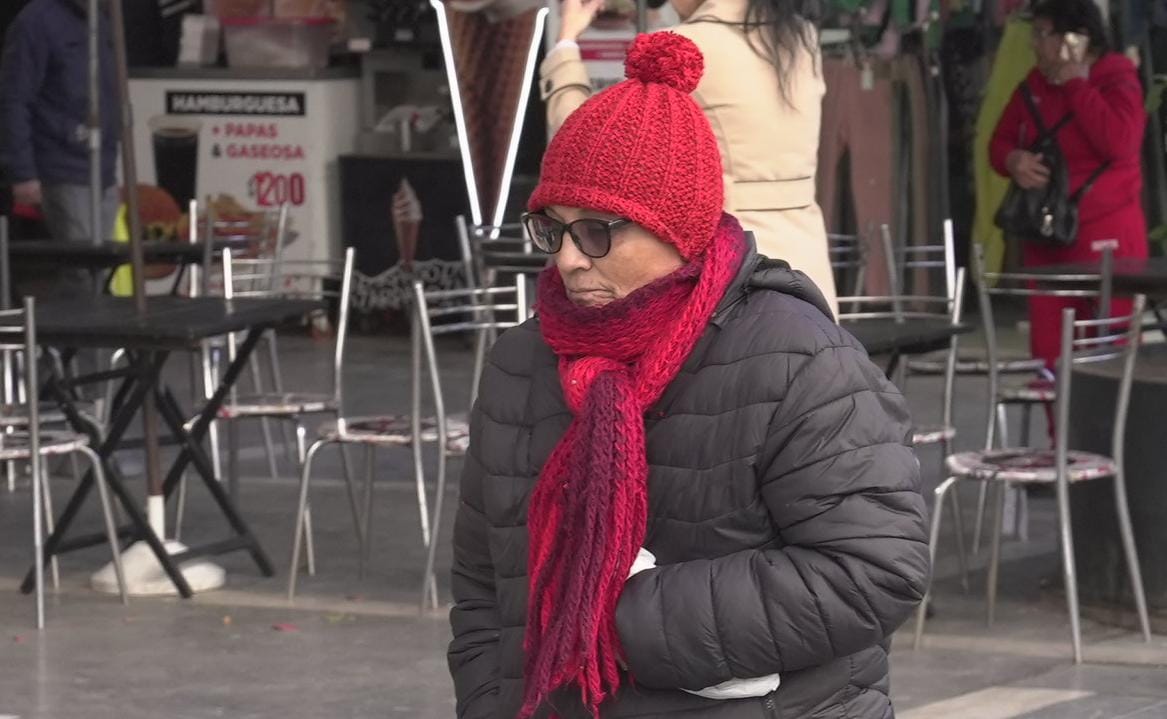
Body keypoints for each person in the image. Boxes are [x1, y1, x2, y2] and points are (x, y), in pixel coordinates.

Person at [448, 33, 928, 719]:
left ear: (678, 232)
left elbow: (874, 568)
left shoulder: (798, 359)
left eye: (598, 231)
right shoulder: (521, 363)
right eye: (552, 230)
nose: (569, 260)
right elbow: (482, 587)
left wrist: (620, 615)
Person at [541, 0, 840, 316]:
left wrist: (566, 43)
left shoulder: (687, 48)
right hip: (806, 259)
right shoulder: (799, 39)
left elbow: (591, 145)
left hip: (730, 265)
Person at [989, 0, 1147, 368]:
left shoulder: (1116, 76)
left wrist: (1077, 84)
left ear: (1078, 39)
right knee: (1049, 353)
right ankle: (1059, 428)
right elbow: (998, 143)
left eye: (1043, 34)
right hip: (1046, 240)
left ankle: (1108, 428)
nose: (1034, 44)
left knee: (1111, 350)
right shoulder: (1033, 85)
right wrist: (1013, 160)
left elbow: (1120, 143)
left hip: (1107, 240)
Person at [0, 0, 121, 250]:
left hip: (102, 169)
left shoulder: (100, 20)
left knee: (99, 264)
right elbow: (13, 100)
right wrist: (23, 173)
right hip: (61, 167)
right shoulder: (36, 21)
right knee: (83, 266)